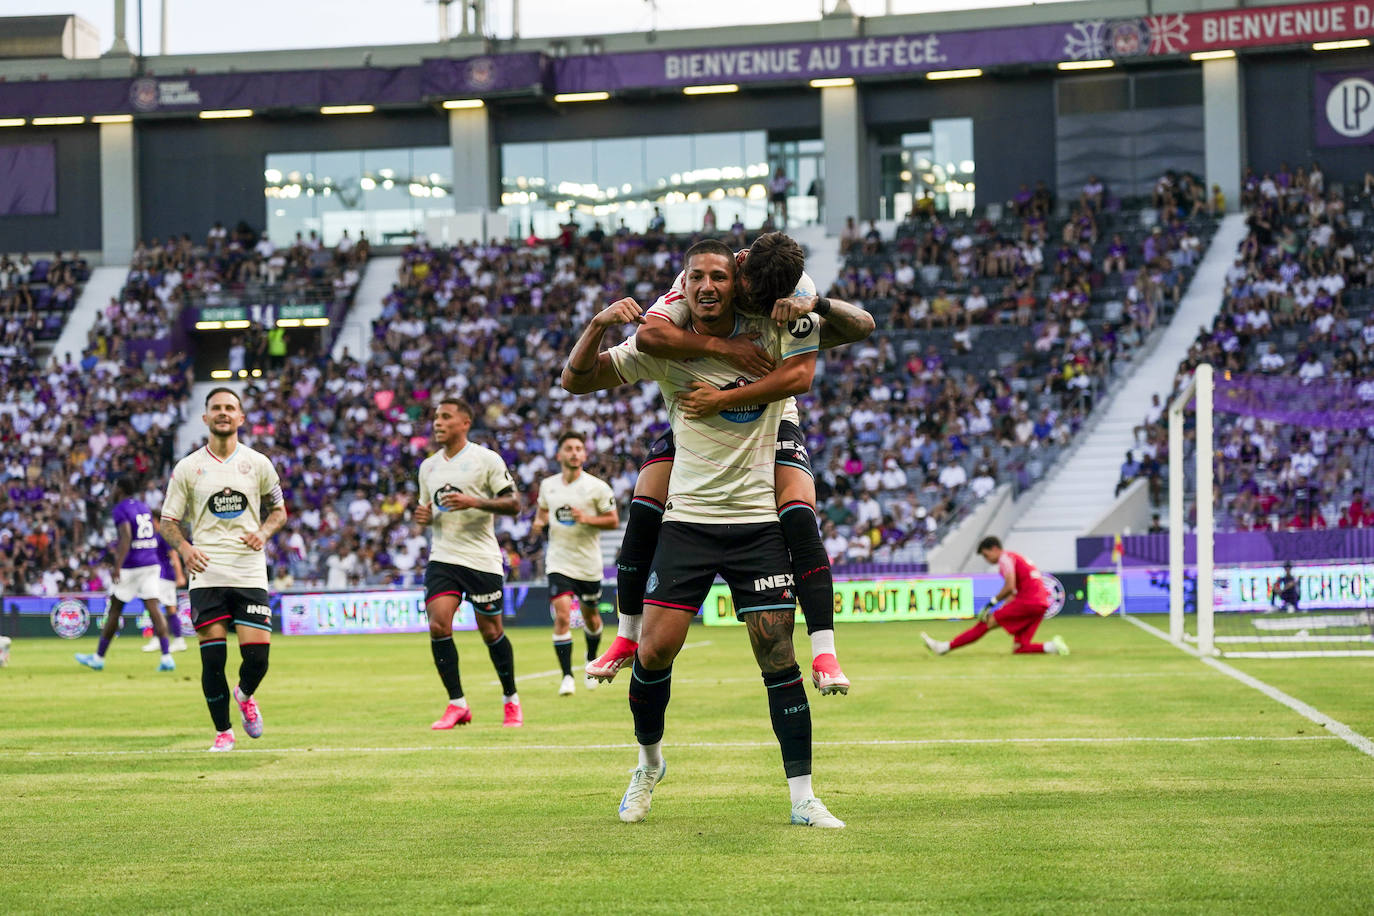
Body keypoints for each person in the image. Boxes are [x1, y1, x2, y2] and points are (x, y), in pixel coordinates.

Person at [563, 239, 844, 828]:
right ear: (682, 285)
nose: (708, 286)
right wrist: (595, 324)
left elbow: (824, 354)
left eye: (719, 275)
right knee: (655, 651)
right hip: (689, 521)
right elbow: (578, 380)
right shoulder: (664, 341)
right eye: (698, 277)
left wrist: (811, 303)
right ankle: (648, 765)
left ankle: (802, 798)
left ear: (737, 282)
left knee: (776, 657)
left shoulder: (775, 324)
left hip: (754, 522)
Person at [586, 233, 875, 697]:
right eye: (752, 294)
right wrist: (725, 352)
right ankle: (625, 635)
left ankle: (825, 651)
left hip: (771, 420)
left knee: (799, 515)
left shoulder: (794, 289)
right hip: (698, 422)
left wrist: (813, 305)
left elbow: (850, 334)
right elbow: (649, 335)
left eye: (768, 300)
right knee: (644, 506)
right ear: (740, 268)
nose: (757, 303)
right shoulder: (700, 280)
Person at [159, 388, 288, 751]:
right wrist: (184, 548)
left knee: (257, 658)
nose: (223, 413)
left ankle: (245, 694)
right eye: (216, 408)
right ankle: (223, 732)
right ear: (205, 417)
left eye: (230, 408)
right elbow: (168, 521)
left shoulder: (258, 463)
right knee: (213, 658)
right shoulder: (188, 467)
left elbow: (279, 511)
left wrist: (263, 532)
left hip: (248, 571)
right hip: (207, 572)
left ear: (241, 418)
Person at [414, 398, 524, 729]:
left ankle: (510, 699)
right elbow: (428, 509)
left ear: (464, 423)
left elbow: (514, 503)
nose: (437, 423)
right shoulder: (428, 467)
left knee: (491, 631)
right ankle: (457, 703)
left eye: (445, 417)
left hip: (481, 559)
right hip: (443, 557)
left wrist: (474, 501)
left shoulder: (485, 459)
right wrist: (424, 516)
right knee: (438, 624)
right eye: (435, 417)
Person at [530, 431, 619, 696]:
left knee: (592, 617)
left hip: (588, 564)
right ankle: (567, 676)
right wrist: (539, 521)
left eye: (579, 448)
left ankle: (590, 659)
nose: (574, 452)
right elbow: (544, 510)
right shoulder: (549, 486)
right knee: (563, 616)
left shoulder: (597, 487)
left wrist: (586, 519)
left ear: (585, 454)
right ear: (559, 454)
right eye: (569, 448)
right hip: (559, 561)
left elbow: (613, 520)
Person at [75, 476, 177, 673]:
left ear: (120, 489)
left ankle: (98, 658)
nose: (112, 491)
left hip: (132, 565)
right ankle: (167, 657)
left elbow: (127, 536)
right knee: (154, 609)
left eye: (114, 487)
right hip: (151, 561)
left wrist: (117, 566)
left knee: (115, 610)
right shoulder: (143, 506)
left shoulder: (120, 508)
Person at [922, 536, 1068, 657]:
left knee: (986, 623)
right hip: (1041, 604)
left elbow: (1009, 586)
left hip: (1029, 601)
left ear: (995, 549)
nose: (987, 559)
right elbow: (1014, 591)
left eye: (986, 555)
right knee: (1019, 648)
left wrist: (991, 604)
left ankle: (944, 647)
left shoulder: (1005, 558)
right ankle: (1052, 647)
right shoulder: (1016, 557)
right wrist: (1003, 608)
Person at [140, 533, 190, 654]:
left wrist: (179, 575)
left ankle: (177, 640)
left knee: (167, 608)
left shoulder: (163, 536)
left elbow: (174, 555)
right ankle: (161, 639)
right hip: (158, 576)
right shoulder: (153, 536)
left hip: (165, 577)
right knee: (156, 606)